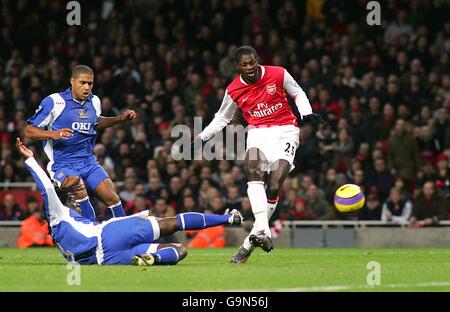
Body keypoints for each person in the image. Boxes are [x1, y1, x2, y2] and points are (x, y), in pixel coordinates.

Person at [16, 138, 243, 265]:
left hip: (105, 258)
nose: (77, 203)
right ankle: (228, 217)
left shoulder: (60, 235)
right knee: (170, 223)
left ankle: (152, 258)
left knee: (180, 249)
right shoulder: (58, 213)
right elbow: (47, 187)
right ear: (66, 198)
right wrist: (31, 160)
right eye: (74, 200)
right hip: (109, 235)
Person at [195, 46, 323, 263]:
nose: (249, 67)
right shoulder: (234, 89)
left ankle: (247, 245)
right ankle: (263, 230)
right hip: (257, 133)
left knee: (274, 184)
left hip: (286, 130)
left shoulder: (278, 73)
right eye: (244, 64)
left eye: (252, 62)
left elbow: (297, 92)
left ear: (257, 60)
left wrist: (306, 112)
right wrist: (201, 137)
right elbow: (222, 117)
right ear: (237, 67)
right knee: (253, 168)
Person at [25, 65, 136, 221]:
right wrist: (53, 134)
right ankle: (91, 238)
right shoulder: (55, 102)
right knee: (81, 194)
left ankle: (125, 241)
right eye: (82, 83)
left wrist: (119, 119)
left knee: (113, 198)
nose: (87, 87)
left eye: (90, 84)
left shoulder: (95, 101)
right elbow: (29, 130)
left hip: (88, 162)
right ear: (72, 81)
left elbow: (95, 123)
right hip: (63, 164)